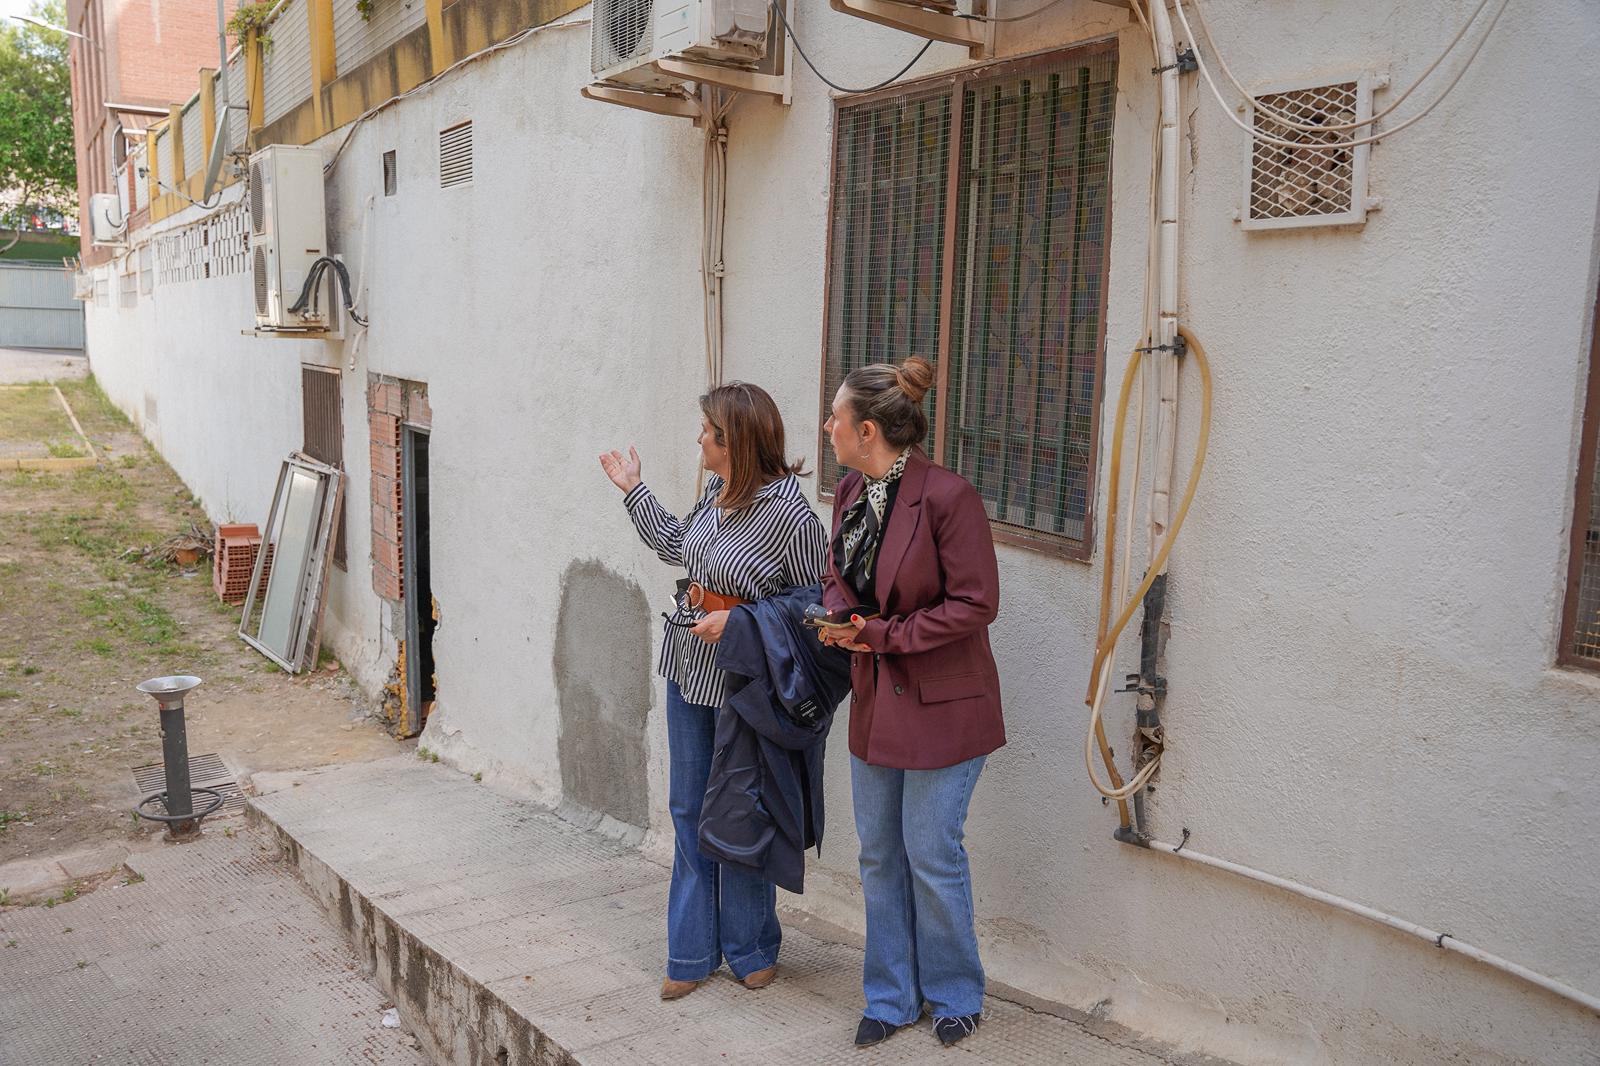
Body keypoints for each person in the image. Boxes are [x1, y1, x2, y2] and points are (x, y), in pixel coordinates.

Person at [599, 381, 827, 1001]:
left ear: (736, 441)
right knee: (689, 809)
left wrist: (745, 621)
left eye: (707, 430)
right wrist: (634, 492)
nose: (698, 437)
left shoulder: (792, 515)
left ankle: (751, 945)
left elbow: (813, 607)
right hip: (688, 669)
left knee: (742, 811)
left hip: (744, 685)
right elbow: (680, 546)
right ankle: (691, 950)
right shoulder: (714, 492)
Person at [818, 356, 1005, 1049]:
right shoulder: (846, 491)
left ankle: (955, 994)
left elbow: (976, 603)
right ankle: (891, 997)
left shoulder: (950, 497)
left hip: (945, 704)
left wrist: (883, 634)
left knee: (931, 851)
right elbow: (838, 571)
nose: (826, 426)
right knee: (878, 855)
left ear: (867, 430)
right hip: (876, 699)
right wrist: (837, 614)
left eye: (835, 417)